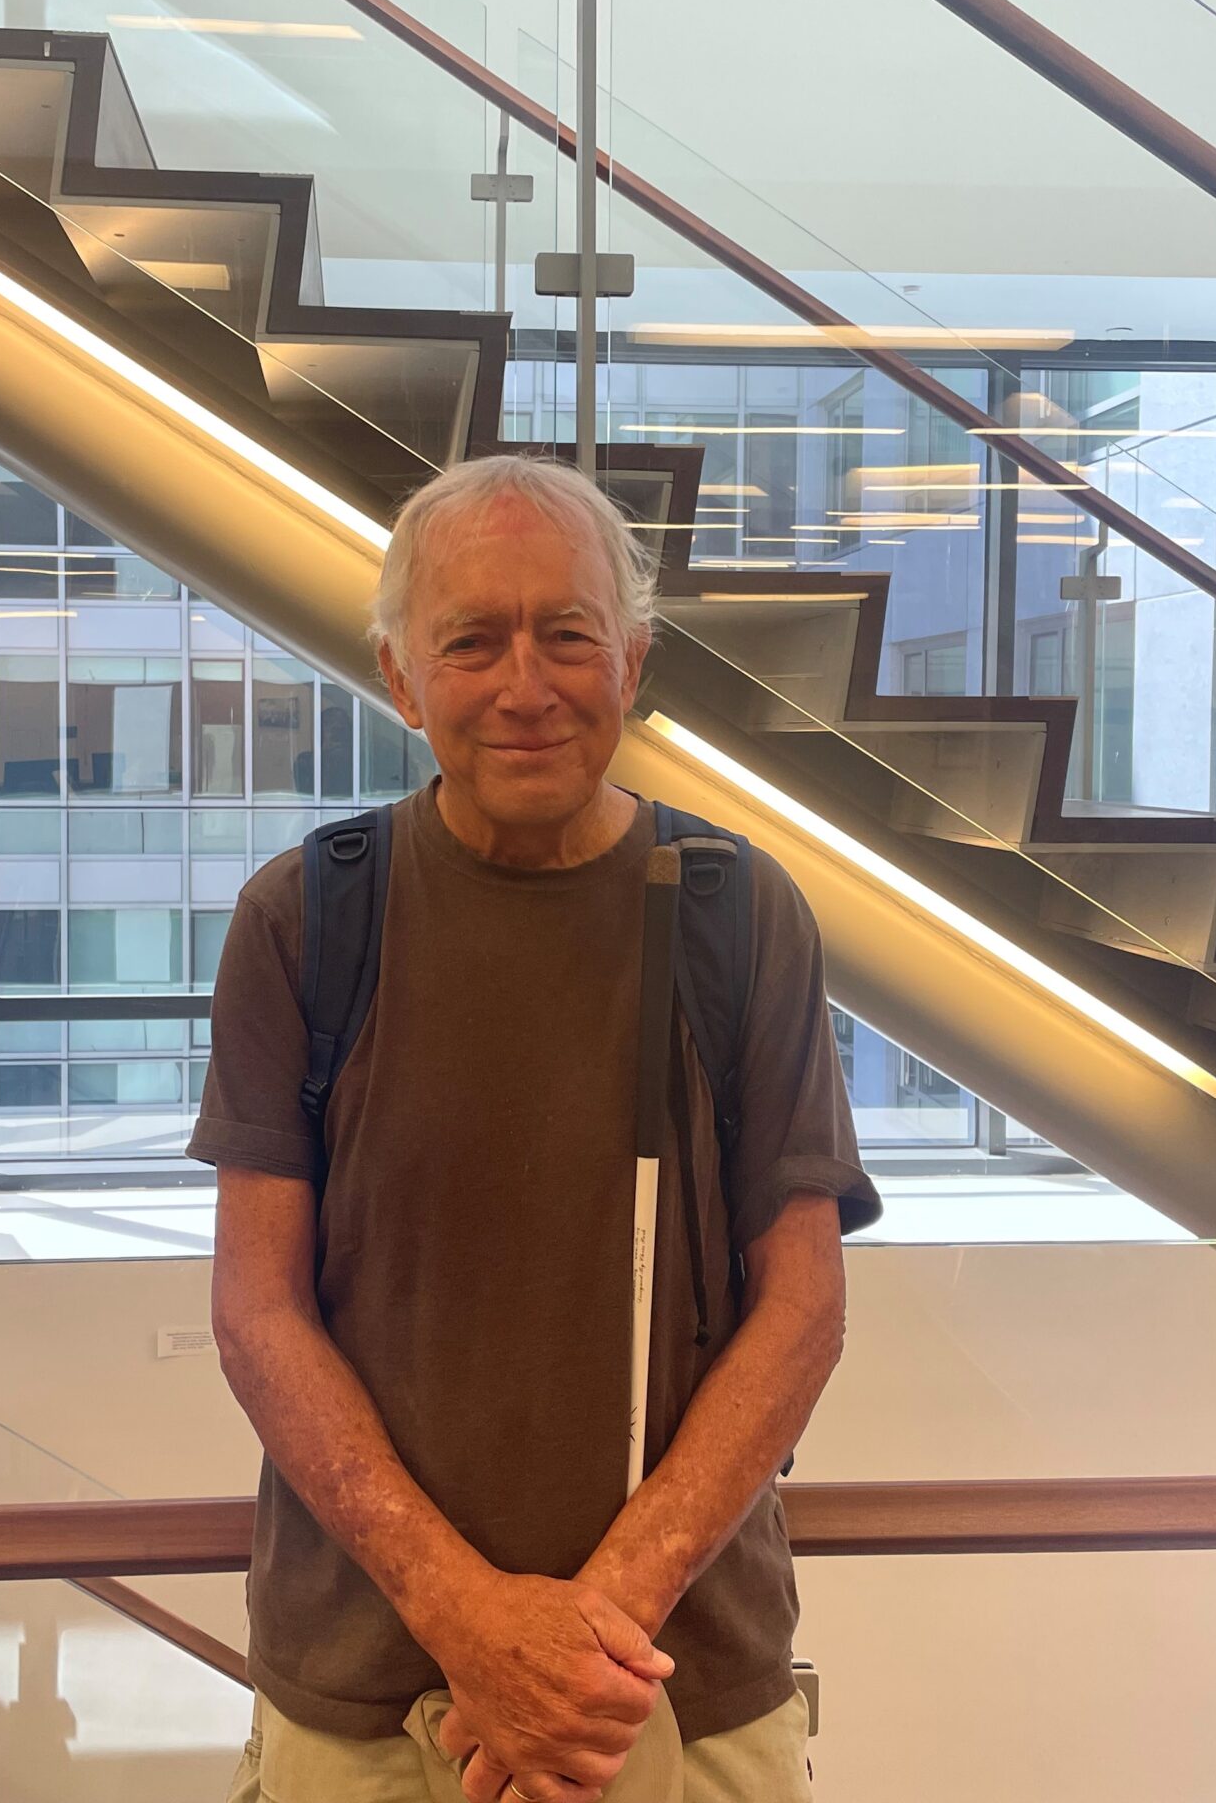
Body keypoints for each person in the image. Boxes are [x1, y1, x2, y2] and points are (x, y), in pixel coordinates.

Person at [196, 454, 879, 1803]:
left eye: (568, 634)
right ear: (402, 678)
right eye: (473, 641)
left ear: (633, 662)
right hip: (367, 1695)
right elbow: (256, 1314)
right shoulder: (305, 925)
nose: (527, 684)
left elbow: (801, 1310)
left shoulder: (741, 919)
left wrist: (583, 1640)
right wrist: (470, 1622)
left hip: (679, 1681)